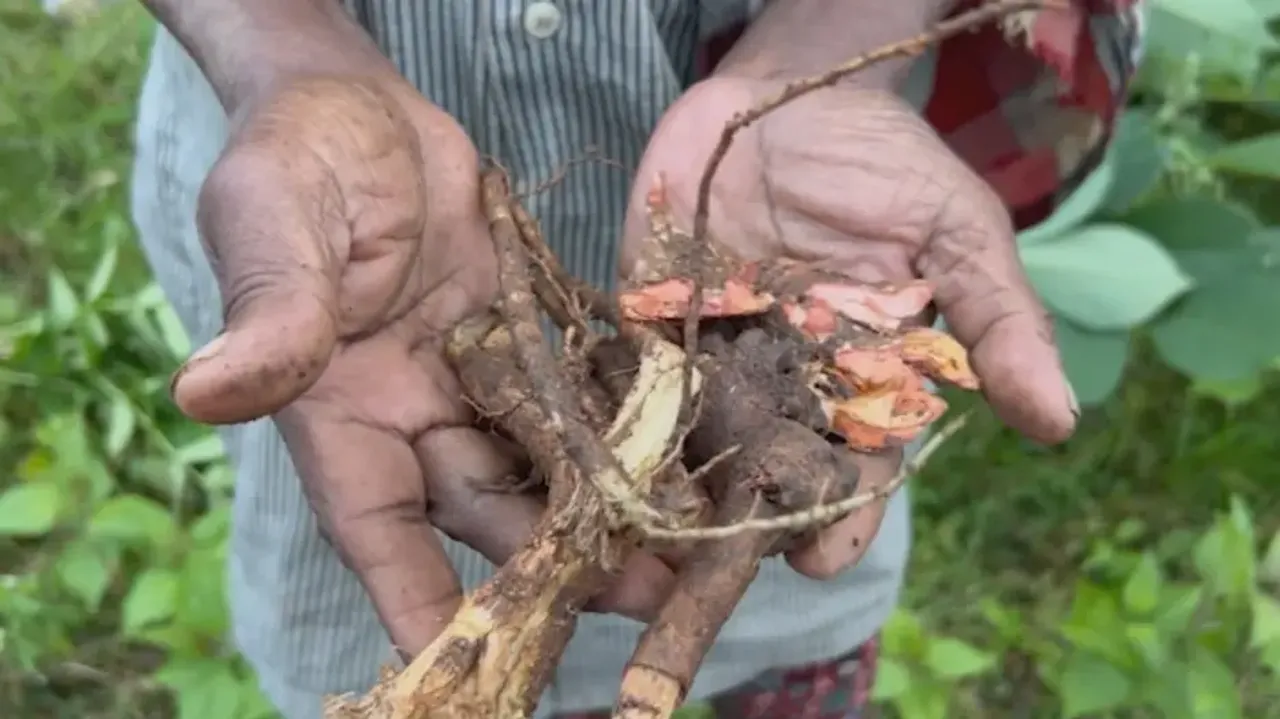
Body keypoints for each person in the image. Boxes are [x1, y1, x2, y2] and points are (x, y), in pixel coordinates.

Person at [128, 2, 1145, 717]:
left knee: (774, 568)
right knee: (384, 550)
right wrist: (288, 52)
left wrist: (833, 37)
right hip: (359, 273)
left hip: (785, 229)